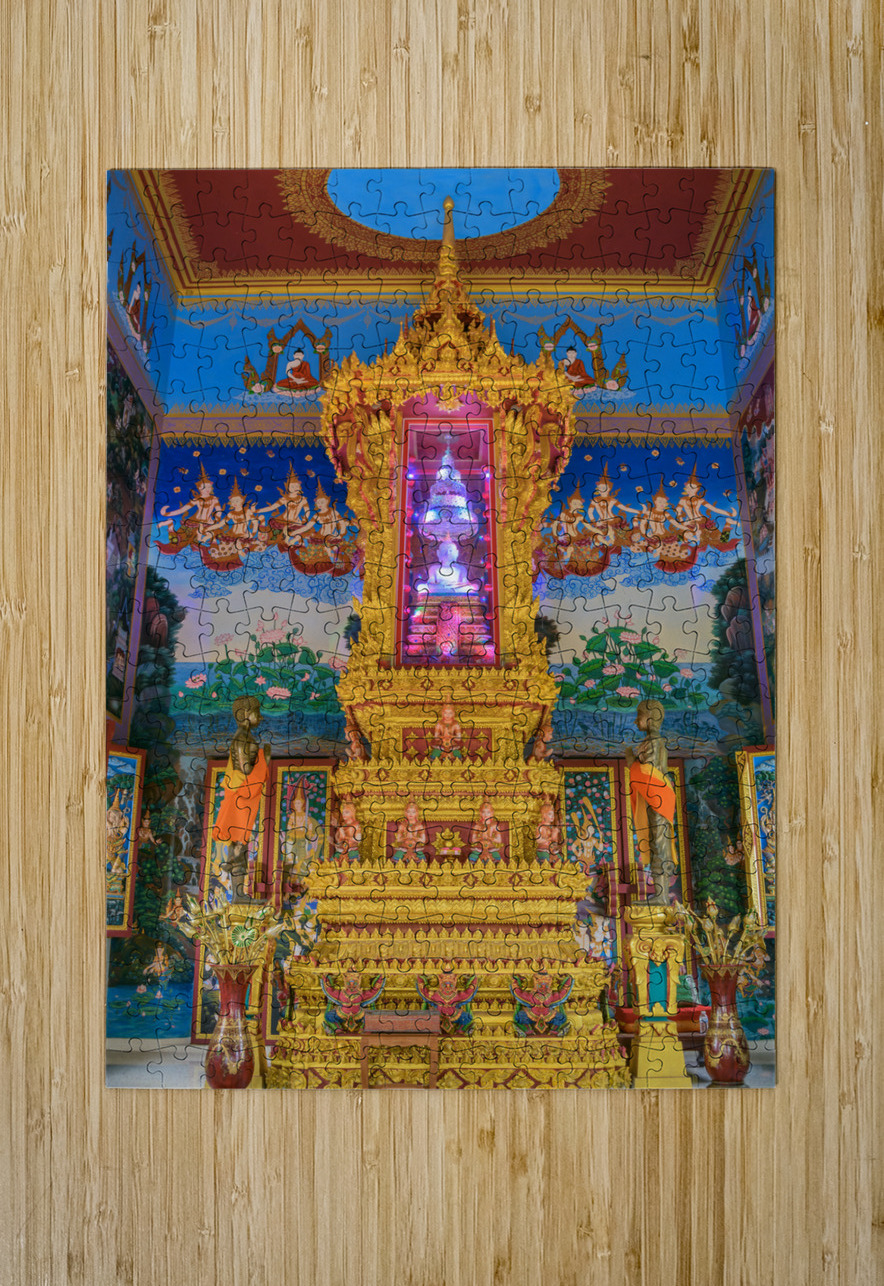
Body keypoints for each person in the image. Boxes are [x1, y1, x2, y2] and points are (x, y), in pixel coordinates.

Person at [212, 696, 271, 900]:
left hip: (241, 796)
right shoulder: (242, 738)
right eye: (257, 712)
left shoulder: (244, 738)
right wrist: (265, 758)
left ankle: (239, 893)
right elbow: (246, 770)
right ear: (246, 714)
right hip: (241, 796)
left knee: (239, 845)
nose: (260, 718)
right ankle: (238, 894)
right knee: (239, 845)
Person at [624, 700, 677, 905]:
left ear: (652, 717)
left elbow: (646, 772)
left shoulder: (655, 741)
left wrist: (630, 758)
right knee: (656, 841)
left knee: (659, 842)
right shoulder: (650, 741)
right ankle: (660, 894)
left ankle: (662, 896)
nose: (636, 720)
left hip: (658, 796)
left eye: (640, 715)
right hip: (653, 795)